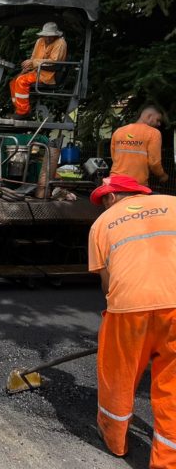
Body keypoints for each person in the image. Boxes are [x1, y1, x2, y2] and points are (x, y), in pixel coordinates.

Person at [88, 174, 176, 466]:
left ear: (112, 197)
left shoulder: (101, 224)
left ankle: (115, 440)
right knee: (171, 385)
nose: (102, 206)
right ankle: (168, 460)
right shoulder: (172, 203)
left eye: (103, 201)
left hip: (129, 310)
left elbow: (107, 284)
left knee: (118, 374)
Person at [9, 21, 68, 117]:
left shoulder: (60, 43)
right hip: (36, 71)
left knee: (21, 81)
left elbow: (53, 62)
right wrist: (26, 69)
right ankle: (18, 109)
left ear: (55, 35)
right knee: (14, 81)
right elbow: (33, 58)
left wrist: (33, 62)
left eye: (51, 36)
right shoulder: (39, 41)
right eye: (46, 35)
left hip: (49, 75)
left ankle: (23, 112)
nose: (48, 38)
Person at [110, 106, 169, 186]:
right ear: (149, 116)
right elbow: (154, 162)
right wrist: (162, 175)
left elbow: (114, 157)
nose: (159, 124)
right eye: (158, 120)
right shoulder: (153, 133)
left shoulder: (119, 131)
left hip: (115, 181)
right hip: (136, 184)